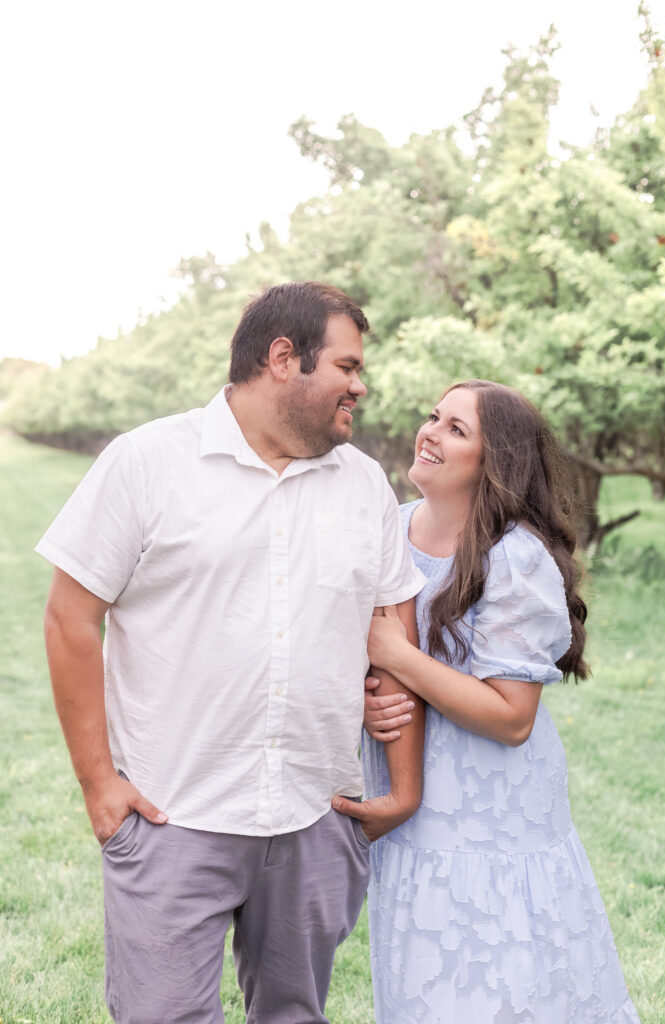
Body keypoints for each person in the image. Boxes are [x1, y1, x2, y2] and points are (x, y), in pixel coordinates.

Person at [36, 282, 426, 1024]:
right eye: (346, 366)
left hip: (317, 814)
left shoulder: (363, 483)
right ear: (283, 358)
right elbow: (69, 619)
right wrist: (99, 785)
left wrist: (400, 789)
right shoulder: (147, 461)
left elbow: (391, 628)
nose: (360, 385)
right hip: (171, 813)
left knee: (294, 1015)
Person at [349, 380, 641, 1023]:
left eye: (457, 429)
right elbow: (354, 655)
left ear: (495, 461)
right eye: (433, 417)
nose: (430, 432)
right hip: (411, 804)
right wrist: (366, 702)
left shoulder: (514, 559)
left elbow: (512, 718)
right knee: (424, 982)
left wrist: (400, 657)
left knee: (501, 985)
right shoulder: (387, 531)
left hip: (490, 814)